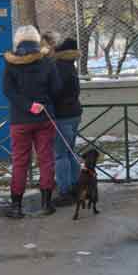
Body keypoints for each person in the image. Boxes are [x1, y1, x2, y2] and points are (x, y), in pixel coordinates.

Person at [2, 25, 62, 218]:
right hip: (45, 118)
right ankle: (46, 203)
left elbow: (8, 91)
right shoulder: (47, 62)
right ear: (37, 41)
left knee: (20, 162)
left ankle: (16, 206)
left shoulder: (11, 63)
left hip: (20, 120)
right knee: (46, 159)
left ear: (17, 41)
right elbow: (57, 89)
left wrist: (28, 106)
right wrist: (41, 103)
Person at [42, 33, 83, 206]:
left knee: (60, 155)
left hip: (62, 115)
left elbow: (54, 91)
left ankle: (65, 191)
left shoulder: (57, 66)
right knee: (70, 151)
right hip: (74, 113)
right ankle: (75, 185)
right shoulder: (70, 65)